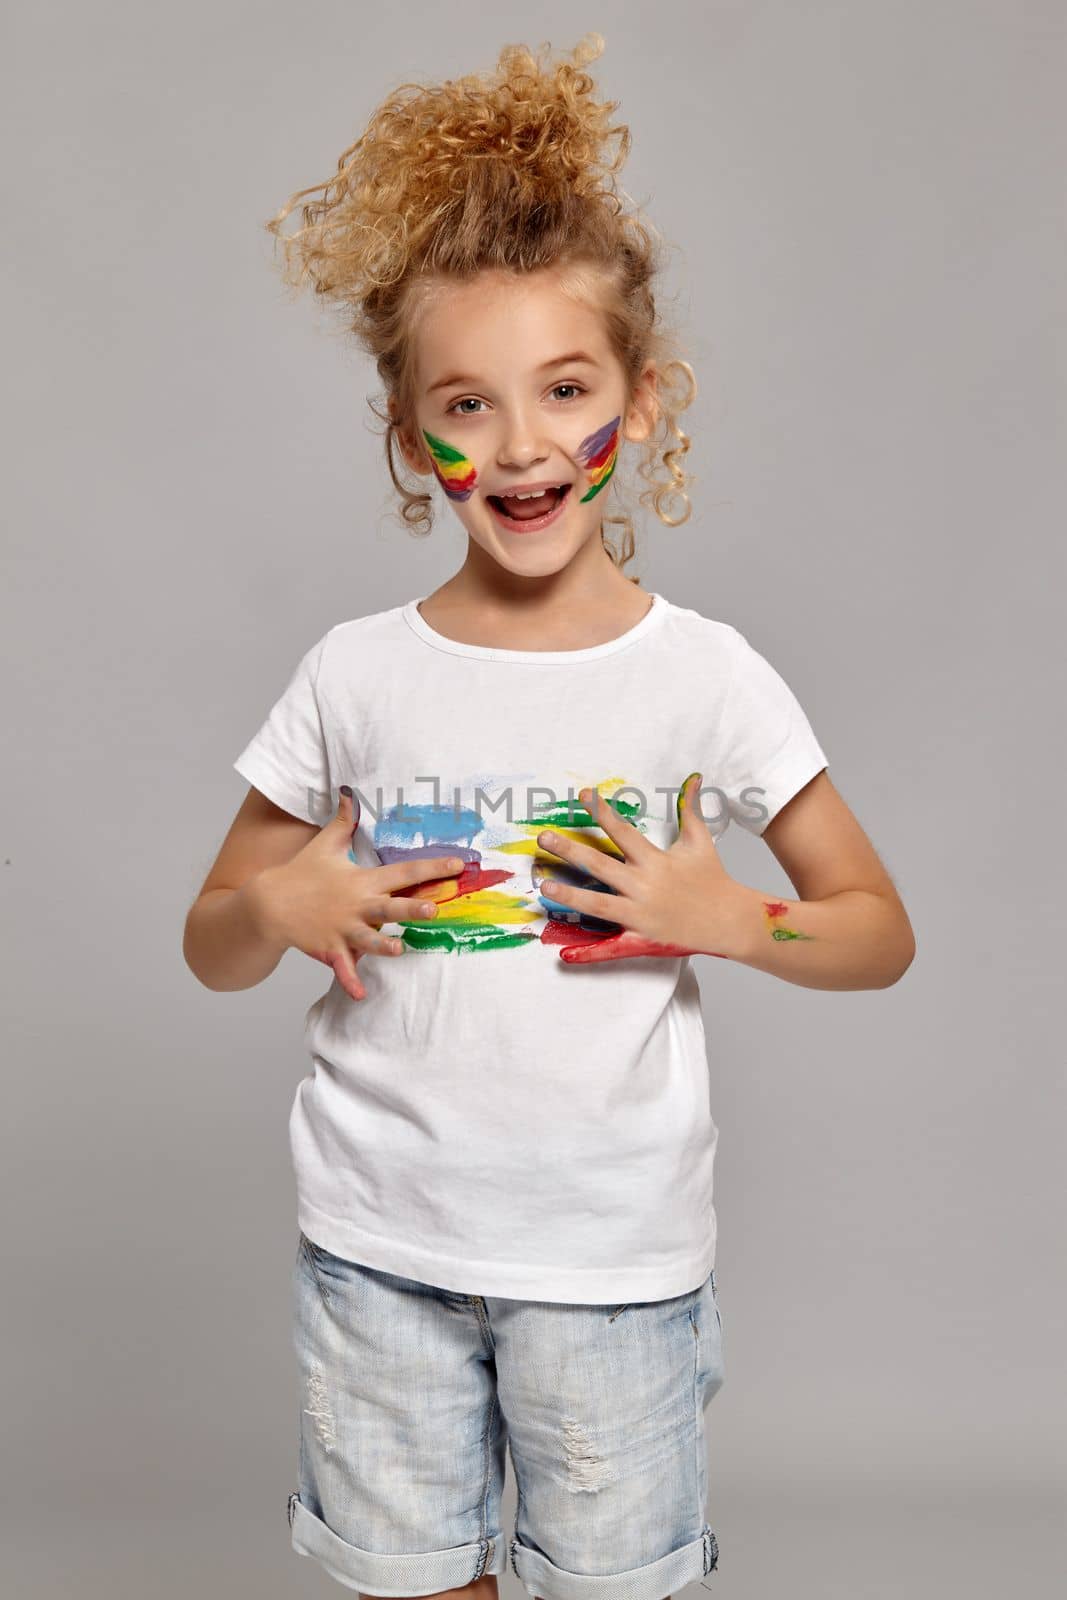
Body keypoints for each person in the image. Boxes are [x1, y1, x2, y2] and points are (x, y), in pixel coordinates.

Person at [182, 34, 915, 1600]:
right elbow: (215, 943)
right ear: (410, 435)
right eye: (469, 401)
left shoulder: (702, 675)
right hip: (378, 1248)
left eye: (565, 389)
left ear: (640, 408)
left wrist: (732, 920)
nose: (519, 445)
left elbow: (876, 931)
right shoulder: (353, 674)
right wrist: (276, 909)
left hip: (611, 1268)